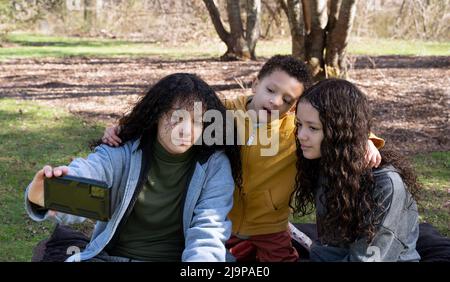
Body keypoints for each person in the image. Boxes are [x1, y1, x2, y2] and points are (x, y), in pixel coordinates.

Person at [102, 55, 385, 262]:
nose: (275, 101)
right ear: (255, 83)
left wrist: (366, 140)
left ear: (295, 106)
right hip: (225, 220)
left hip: (270, 225)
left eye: (287, 100)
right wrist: (122, 128)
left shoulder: (294, 129)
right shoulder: (222, 114)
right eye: (270, 90)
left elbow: (337, 124)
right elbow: (173, 116)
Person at [25, 73, 242, 262]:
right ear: (158, 114)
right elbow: (91, 172)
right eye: (177, 118)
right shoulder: (123, 151)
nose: (186, 130)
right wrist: (51, 189)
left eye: (197, 121)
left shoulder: (214, 164)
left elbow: (208, 230)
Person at [292, 78, 421, 261]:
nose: (300, 135)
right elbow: (268, 107)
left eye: (312, 128)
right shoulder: (325, 160)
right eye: (299, 124)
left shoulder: (385, 186)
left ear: (340, 132)